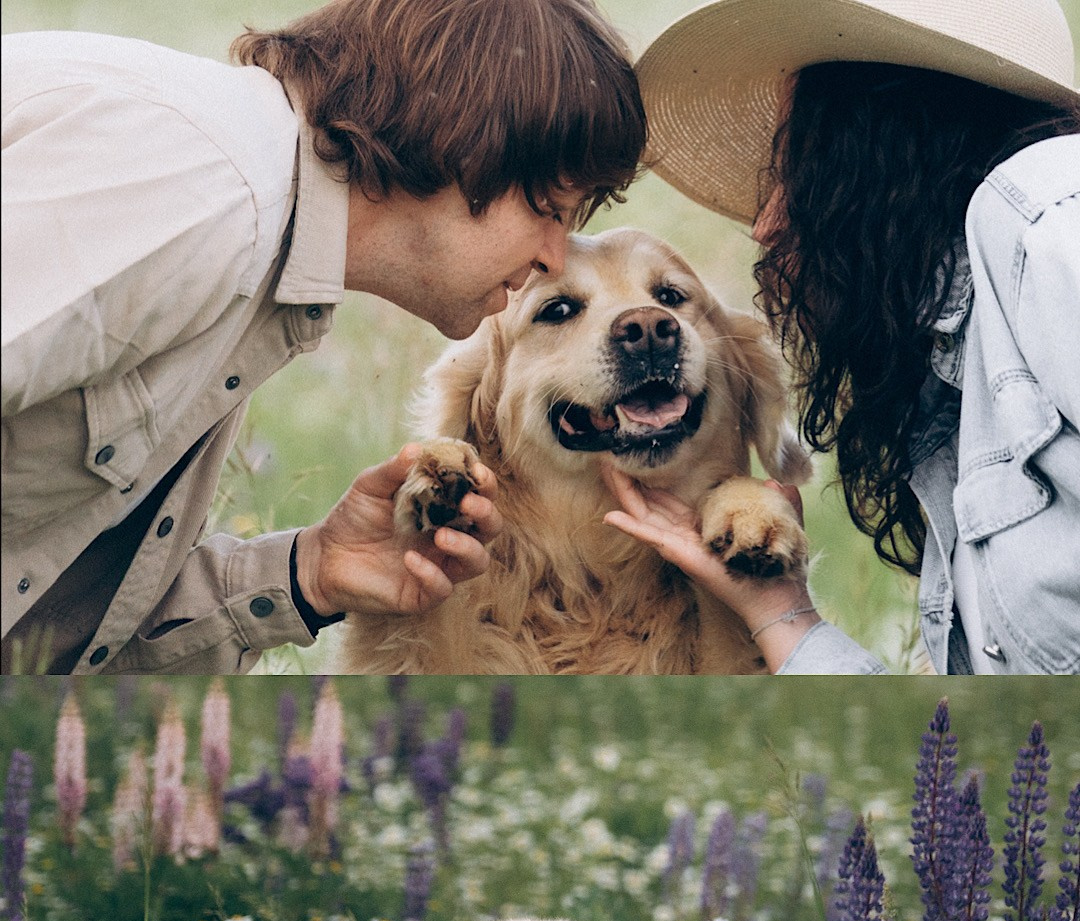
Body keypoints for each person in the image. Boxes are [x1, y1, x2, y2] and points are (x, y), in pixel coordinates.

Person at [1, 0, 646, 674]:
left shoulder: (256, 244)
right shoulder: (205, 189)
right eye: (549, 209)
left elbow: (49, 634)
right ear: (466, 144)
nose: (553, 254)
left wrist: (309, 575)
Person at [608, 0, 1080, 674]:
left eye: (789, 165)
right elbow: (986, 755)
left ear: (871, 156)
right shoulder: (949, 399)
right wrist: (780, 611)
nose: (764, 226)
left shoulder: (1047, 214)